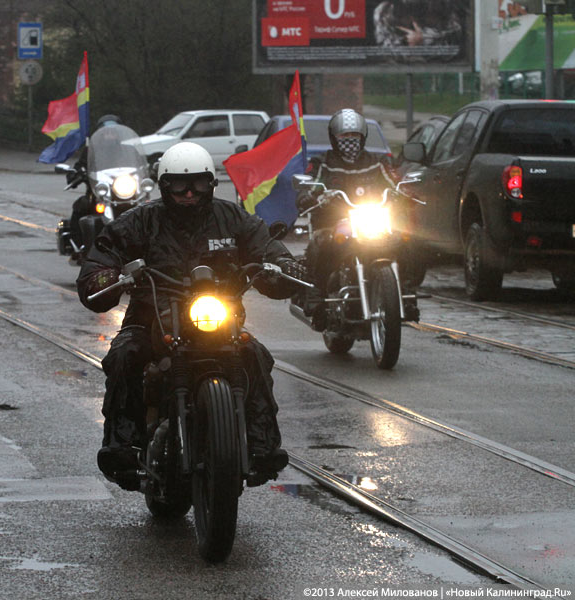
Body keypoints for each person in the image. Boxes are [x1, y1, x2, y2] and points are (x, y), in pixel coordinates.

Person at [76, 141, 307, 490]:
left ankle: (261, 446)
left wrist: (283, 265)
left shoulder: (233, 218)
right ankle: (123, 446)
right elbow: (104, 252)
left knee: (255, 355)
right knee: (124, 354)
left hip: (220, 319)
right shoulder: (140, 220)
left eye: (198, 183)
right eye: (178, 185)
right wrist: (104, 276)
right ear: (163, 184)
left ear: (211, 184)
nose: (188, 192)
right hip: (151, 316)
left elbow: (266, 247)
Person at [294, 108, 400, 324]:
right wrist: (308, 196)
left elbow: (393, 182)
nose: (349, 141)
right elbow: (311, 182)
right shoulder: (323, 162)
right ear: (334, 138)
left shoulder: (377, 162)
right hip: (333, 222)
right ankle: (316, 295)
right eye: (344, 136)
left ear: (363, 138)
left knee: (405, 239)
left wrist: (404, 192)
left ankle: (404, 289)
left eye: (354, 136)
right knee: (321, 242)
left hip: (371, 219)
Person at [63, 114, 122, 254]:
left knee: (147, 209)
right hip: (98, 194)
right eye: (106, 132)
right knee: (81, 207)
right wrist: (75, 173)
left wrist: (150, 171)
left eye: (113, 132)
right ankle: (77, 245)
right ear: (100, 133)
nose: (109, 135)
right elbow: (80, 165)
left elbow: (140, 167)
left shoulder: (128, 150)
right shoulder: (91, 151)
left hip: (124, 194)